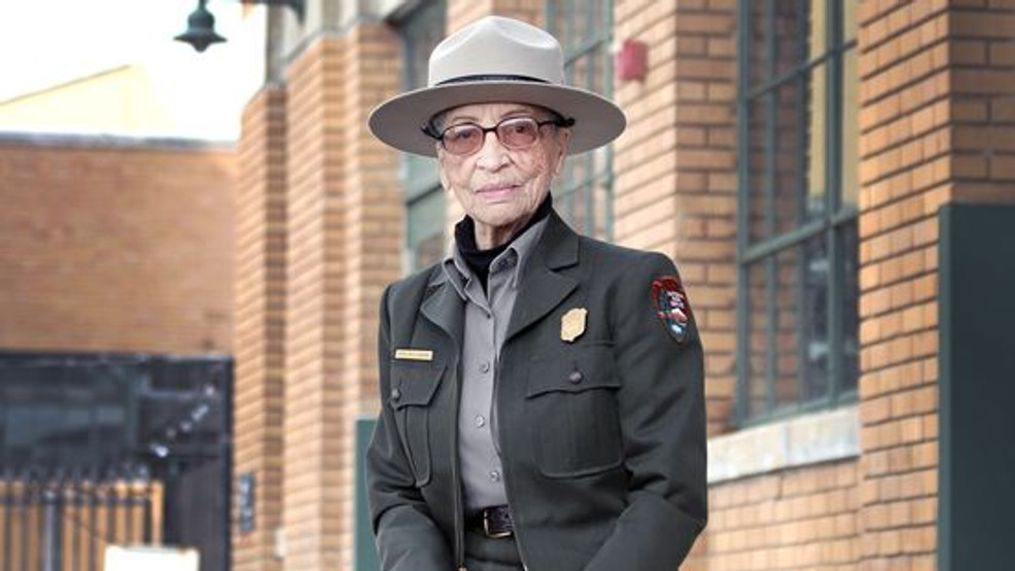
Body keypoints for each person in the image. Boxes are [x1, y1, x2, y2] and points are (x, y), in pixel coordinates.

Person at [366, 15, 707, 571]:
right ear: (443, 161)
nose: (492, 157)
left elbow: (671, 490)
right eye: (464, 134)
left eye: (519, 128)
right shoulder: (405, 308)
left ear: (558, 146)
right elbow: (395, 489)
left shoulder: (630, 286)